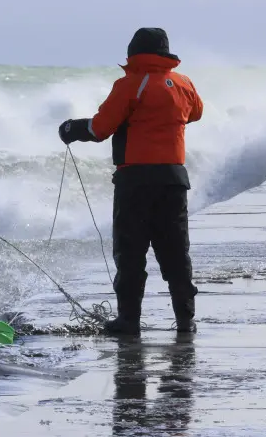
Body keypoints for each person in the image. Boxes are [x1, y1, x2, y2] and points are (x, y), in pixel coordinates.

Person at [57, 27, 204, 335]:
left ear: (133, 52)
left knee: (131, 251)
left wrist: (71, 129)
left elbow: (100, 128)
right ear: (166, 54)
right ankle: (185, 320)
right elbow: (196, 114)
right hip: (174, 179)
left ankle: (128, 321)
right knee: (176, 251)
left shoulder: (130, 84)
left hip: (136, 180)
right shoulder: (183, 83)